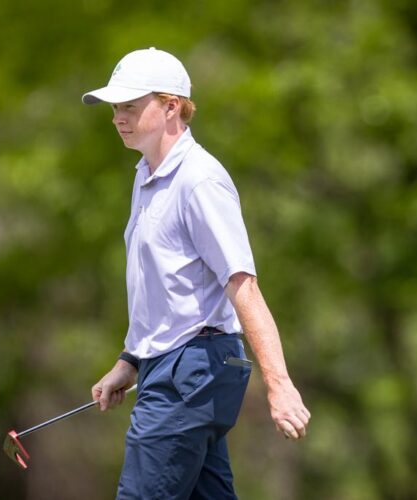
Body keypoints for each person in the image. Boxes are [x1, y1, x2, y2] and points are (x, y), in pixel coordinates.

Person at [83, 47, 310, 499]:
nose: (117, 117)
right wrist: (130, 362)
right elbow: (167, 288)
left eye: (130, 105)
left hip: (190, 372)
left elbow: (242, 285)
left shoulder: (199, 180)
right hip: (172, 366)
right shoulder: (146, 176)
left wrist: (280, 386)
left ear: (171, 106)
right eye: (115, 107)